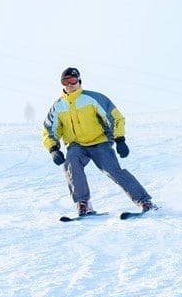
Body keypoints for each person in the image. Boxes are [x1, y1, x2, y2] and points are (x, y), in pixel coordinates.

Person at [41, 67, 155, 217]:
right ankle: (83, 204)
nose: (69, 85)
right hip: (77, 145)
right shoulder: (58, 106)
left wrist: (120, 139)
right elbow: (49, 129)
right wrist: (53, 148)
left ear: (79, 81)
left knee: (112, 171)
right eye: (65, 81)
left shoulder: (93, 98)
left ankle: (145, 201)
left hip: (99, 142)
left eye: (72, 81)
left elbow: (115, 118)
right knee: (71, 164)